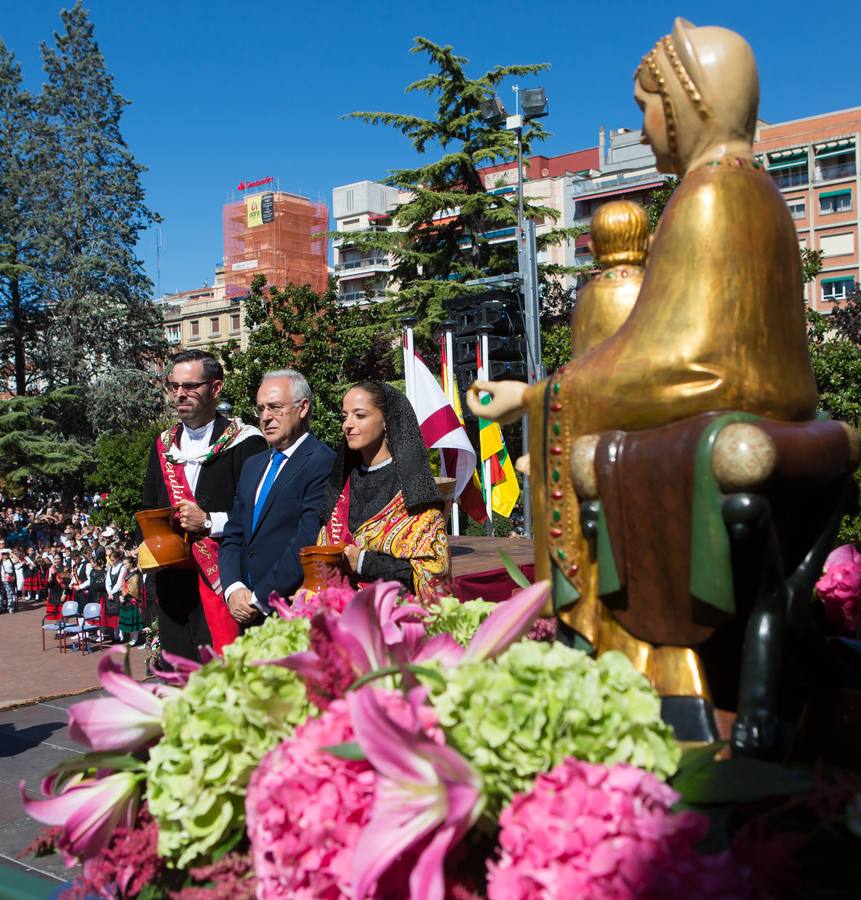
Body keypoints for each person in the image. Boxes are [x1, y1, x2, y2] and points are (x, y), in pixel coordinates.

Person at [140, 349, 267, 659]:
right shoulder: (163, 445)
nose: (181, 394)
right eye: (174, 386)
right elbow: (148, 507)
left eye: (191, 386)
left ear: (216, 387)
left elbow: (258, 515)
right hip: (174, 588)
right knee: (182, 683)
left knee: (226, 678)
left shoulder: (246, 442)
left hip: (223, 579)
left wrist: (209, 521)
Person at [220, 370, 335, 625]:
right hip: (242, 609)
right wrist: (232, 588)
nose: (265, 417)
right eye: (261, 409)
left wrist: (259, 599)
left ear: (303, 407)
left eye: (275, 407)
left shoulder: (322, 462)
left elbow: (305, 539)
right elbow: (233, 533)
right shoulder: (253, 465)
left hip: (286, 611)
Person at [319, 381, 450, 603]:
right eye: (344, 416)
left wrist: (363, 562)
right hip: (337, 614)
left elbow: (432, 572)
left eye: (359, 415)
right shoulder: (341, 484)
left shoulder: (413, 488)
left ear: (387, 420)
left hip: (395, 617)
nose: (347, 425)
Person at [118, 554, 143, 645]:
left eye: (125, 564)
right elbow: (122, 586)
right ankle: (131, 637)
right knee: (128, 620)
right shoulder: (126, 574)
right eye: (123, 564)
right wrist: (121, 596)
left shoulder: (135, 574)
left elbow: (133, 588)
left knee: (133, 621)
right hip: (124, 598)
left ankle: (135, 638)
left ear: (131, 564)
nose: (124, 565)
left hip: (131, 599)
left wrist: (123, 596)